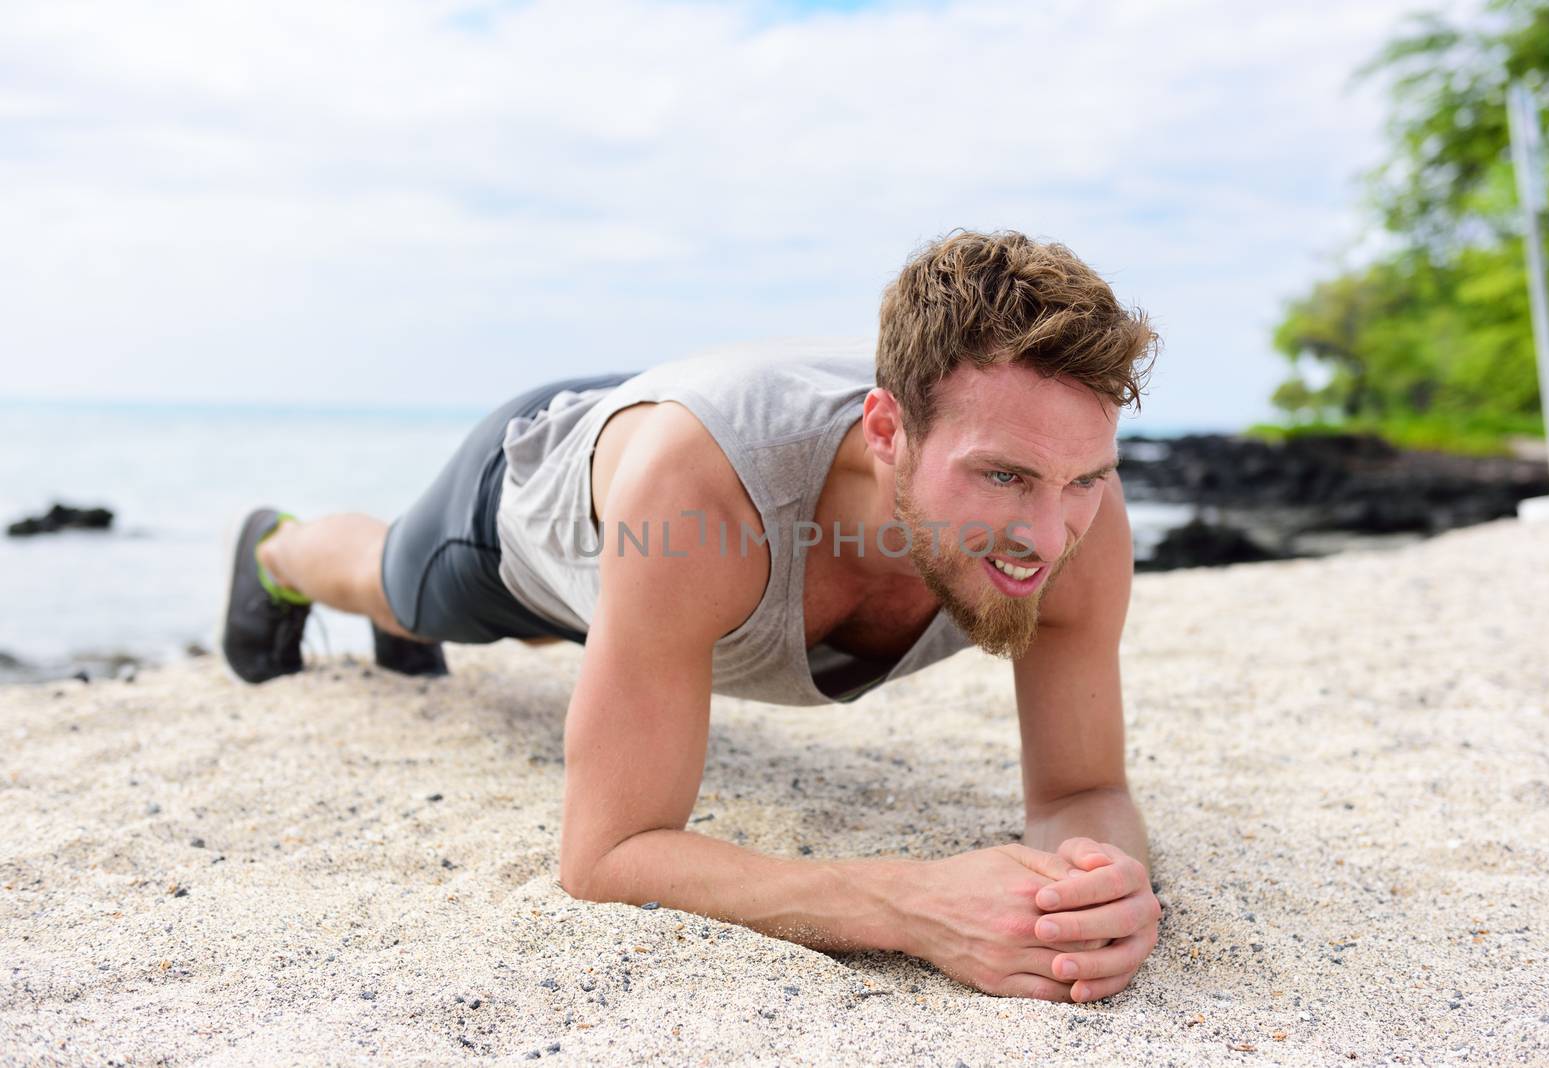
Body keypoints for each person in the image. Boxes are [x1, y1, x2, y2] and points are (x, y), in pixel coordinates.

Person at [220, 229, 1164, 1003]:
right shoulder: (701, 495)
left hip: (682, 508)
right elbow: (606, 855)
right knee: (394, 582)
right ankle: (277, 548)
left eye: (1084, 477)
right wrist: (910, 903)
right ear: (888, 433)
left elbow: (1080, 792)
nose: (1049, 534)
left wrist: (1094, 891)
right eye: (1004, 476)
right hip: (533, 501)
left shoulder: (1076, 514)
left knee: (644, 619)